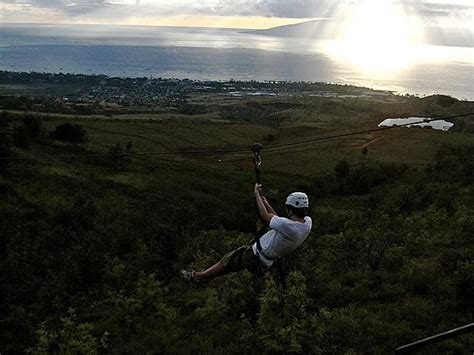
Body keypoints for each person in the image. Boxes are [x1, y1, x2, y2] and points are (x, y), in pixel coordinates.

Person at [180, 183, 312, 282]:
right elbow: (279, 221)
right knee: (228, 265)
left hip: (255, 255)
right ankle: (201, 277)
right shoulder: (306, 223)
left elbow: (265, 216)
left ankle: (198, 277)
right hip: (264, 260)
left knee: (225, 263)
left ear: (290, 210)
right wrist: (265, 203)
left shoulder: (291, 227)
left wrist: (256, 195)